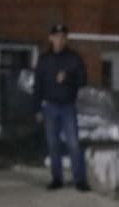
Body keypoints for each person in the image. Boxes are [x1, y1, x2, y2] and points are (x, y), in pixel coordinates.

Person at [33, 23, 89, 191]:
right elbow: (38, 85)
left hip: (67, 107)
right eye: (57, 37)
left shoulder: (73, 58)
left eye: (63, 37)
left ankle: (80, 180)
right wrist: (37, 109)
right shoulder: (44, 59)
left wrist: (68, 78)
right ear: (50, 38)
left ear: (66, 39)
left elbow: (83, 79)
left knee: (73, 143)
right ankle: (57, 178)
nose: (60, 40)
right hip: (50, 107)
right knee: (53, 144)